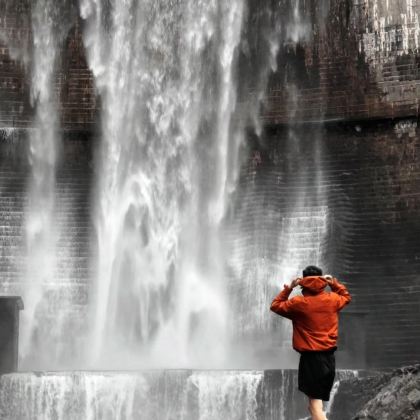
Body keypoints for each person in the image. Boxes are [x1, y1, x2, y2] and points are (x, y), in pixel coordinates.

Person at [270, 265, 351, 420]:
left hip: (311, 360)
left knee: (314, 406)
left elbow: (275, 305)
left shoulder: (298, 303)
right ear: (322, 280)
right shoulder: (333, 300)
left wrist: (289, 288)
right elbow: (346, 297)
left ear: (303, 282)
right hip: (329, 359)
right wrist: (334, 283)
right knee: (315, 404)